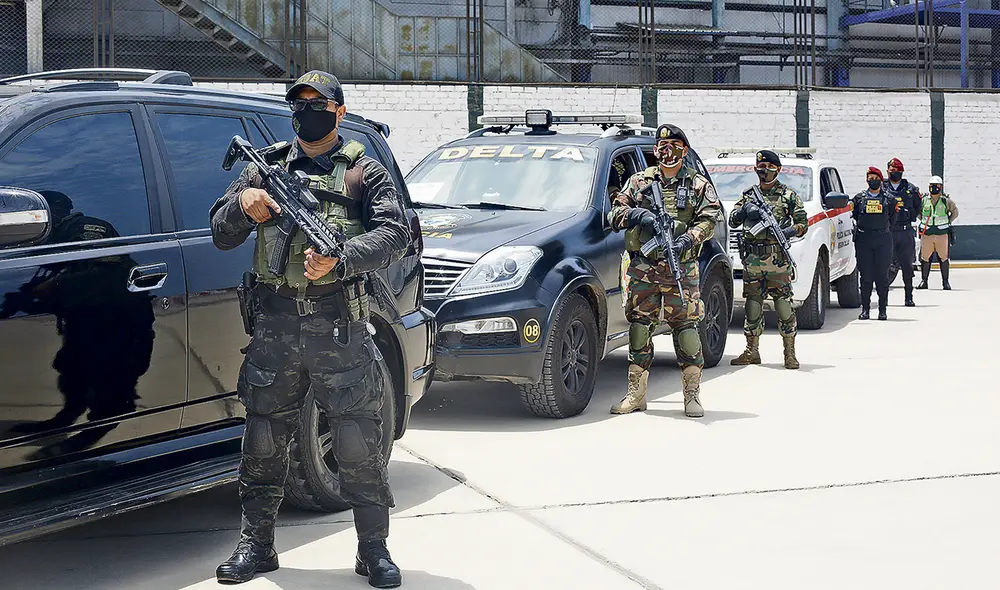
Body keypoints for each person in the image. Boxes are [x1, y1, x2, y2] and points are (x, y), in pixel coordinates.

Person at [209, 70, 410, 587]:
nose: (306, 111)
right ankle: (257, 546)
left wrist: (342, 259)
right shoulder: (265, 167)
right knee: (262, 439)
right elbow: (220, 231)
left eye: (317, 103)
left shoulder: (363, 171)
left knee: (358, 441)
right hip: (274, 325)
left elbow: (396, 233)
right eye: (297, 103)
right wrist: (242, 206)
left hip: (337, 325)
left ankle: (373, 550)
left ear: (339, 111)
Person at [607, 124, 721, 418]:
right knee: (639, 328)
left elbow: (710, 219)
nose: (665, 150)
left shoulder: (697, 185)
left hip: (680, 269)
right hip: (642, 270)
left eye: (672, 145)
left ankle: (692, 395)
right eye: (661, 145)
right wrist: (637, 214)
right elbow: (614, 214)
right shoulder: (638, 181)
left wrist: (689, 238)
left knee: (686, 328)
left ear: (684, 149)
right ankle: (636, 394)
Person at [728, 149, 808, 369]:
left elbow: (803, 223)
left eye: (769, 168)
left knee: (783, 306)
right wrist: (745, 210)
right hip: (753, 261)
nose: (765, 172)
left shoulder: (788, 195)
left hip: (778, 262)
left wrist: (788, 232)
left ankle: (789, 353)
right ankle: (751, 351)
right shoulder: (748, 195)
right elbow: (733, 221)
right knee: (753, 306)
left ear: (778, 170)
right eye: (761, 168)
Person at [851, 167, 897, 320]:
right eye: (870, 178)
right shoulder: (859, 198)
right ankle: (865, 310)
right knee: (865, 277)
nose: (873, 180)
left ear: (880, 179)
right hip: (864, 240)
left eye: (875, 178)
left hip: (883, 240)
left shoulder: (889, 199)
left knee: (882, 277)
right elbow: (856, 215)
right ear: (866, 180)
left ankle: (882, 310)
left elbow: (893, 218)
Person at [882, 158, 921, 306]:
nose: (894, 174)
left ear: (902, 172)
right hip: (888, 232)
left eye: (897, 171)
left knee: (907, 265)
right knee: (884, 266)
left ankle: (908, 297)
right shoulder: (882, 188)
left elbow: (918, 207)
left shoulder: (910, 189)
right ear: (887, 172)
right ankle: (883, 299)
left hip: (905, 232)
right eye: (892, 171)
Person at [917, 175, 959, 290]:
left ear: (941, 187)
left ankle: (945, 282)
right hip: (927, 233)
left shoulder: (946, 200)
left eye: (936, 186)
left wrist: (948, 221)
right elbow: (918, 212)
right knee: (925, 258)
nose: (934, 188)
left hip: (942, 234)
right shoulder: (924, 200)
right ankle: (924, 281)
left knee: (943, 258)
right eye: (931, 185)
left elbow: (955, 212)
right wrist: (924, 221)